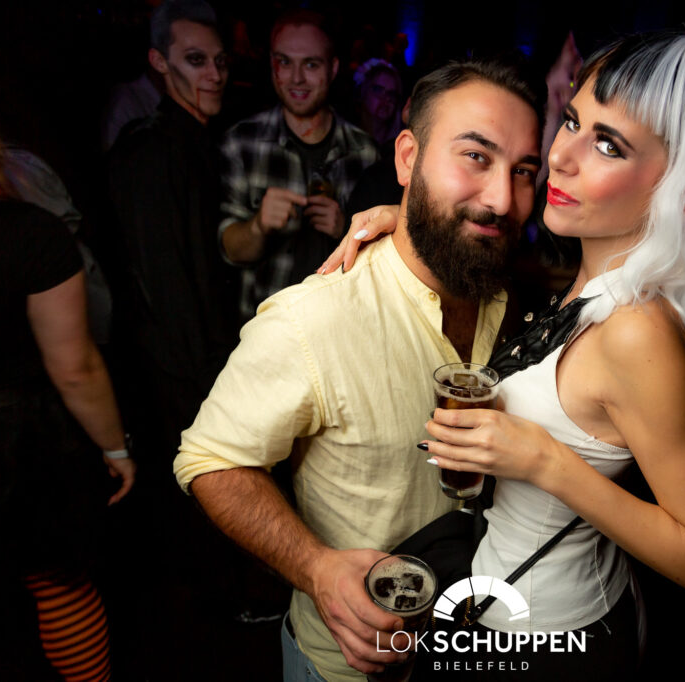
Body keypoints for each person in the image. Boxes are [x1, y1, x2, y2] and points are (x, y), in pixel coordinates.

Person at [326, 34, 685, 677]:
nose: (560, 156)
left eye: (608, 145)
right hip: (513, 601)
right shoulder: (592, 282)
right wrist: (416, 218)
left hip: (549, 640)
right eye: (574, 121)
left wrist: (543, 460)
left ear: (681, 188)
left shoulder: (639, 333)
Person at [174, 57, 542, 682]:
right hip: (350, 666)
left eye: (524, 171)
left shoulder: (515, 299)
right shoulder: (313, 319)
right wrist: (316, 568)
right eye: (475, 156)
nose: (504, 198)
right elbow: (210, 460)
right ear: (408, 158)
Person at [0, 85, 135, 682]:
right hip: (16, 445)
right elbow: (74, 367)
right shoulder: (29, 232)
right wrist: (116, 449)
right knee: (59, 584)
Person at [106, 0, 236, 473]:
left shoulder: (202, 143)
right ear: (159, 62)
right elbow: (162, 289)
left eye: (220, 61)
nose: (215, 75)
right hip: (177, 381)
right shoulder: (150, 150)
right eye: (196, 60)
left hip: (204, 366)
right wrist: (205, 390)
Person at [219, 8, 380, 321]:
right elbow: (230, 252)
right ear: (272, 65)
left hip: (337, 328)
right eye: (284, 62)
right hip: (261, 330)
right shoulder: (241, 143)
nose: (296, 78)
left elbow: (382, 270)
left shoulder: (364, 153)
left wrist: (345, 232)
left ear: (333, 69)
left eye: (311, 64)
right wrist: (258, 226)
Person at [353, 58, 403, 148]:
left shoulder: (399, 144)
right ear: (364, 91)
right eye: (378, 90)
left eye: (391, 93)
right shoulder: (347, 138)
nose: (386, 98)